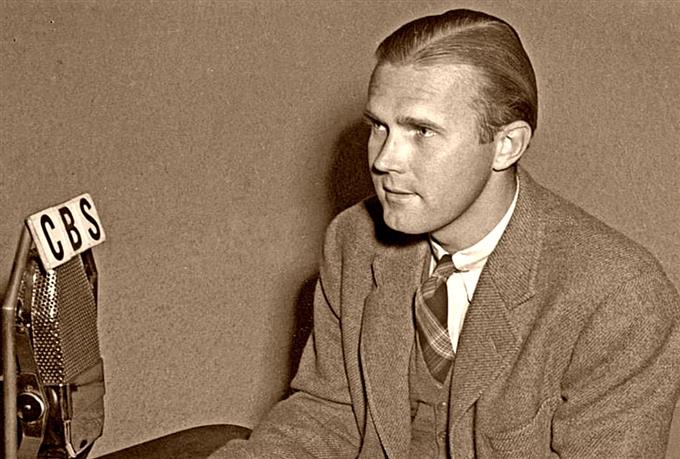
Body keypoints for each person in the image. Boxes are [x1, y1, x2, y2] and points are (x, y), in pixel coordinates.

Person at [213, 9, 680, 458]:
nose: (383, 160)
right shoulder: (354, 240)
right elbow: (327, 414)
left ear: (506, 145)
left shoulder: (619, 298)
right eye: (378, 127)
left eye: (420, 131)